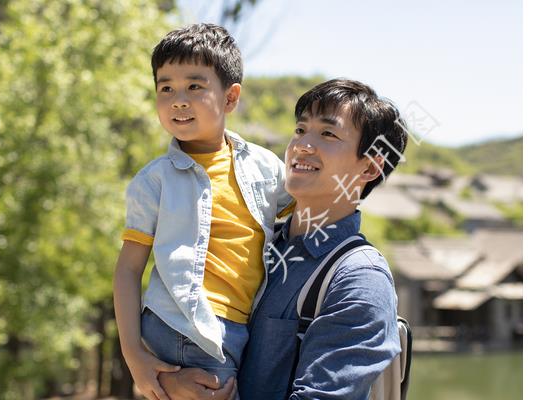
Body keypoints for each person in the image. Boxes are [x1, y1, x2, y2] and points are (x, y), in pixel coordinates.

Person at [159, 78, 407, 400]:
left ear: (370, 168)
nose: (302, 145)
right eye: (301, 130)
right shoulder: (253, 241)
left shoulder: (359, 279)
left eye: (328, 134)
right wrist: (168, 381)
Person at [113, 23, 293, 400]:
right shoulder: (154, 182)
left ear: (230, 98)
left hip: (242, 325)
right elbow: (128, 269)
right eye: (166, 88)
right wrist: (135, 358)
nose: (178, 99)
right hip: (185, 326)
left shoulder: (265, 167)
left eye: (195, 86)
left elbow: (306, 220)